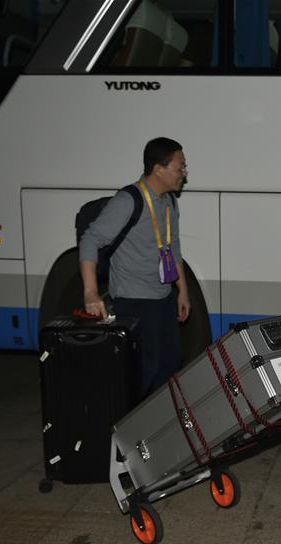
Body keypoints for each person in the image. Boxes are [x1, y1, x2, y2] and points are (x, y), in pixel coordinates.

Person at [78, 137, 191, 399]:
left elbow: (173, 247)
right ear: (158, 169)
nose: (184, 174)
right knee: (143, 369)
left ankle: (154, 424)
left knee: (170, 363)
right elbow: (90, 240)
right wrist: (90, 293)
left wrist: (182, 291)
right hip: (134, 299)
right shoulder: (128, 200)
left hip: (163, 296)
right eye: (180, 167)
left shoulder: (169, 201)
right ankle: (126, 426)